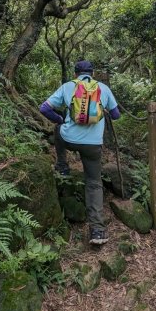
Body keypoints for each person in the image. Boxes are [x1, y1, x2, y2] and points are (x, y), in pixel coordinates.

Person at [39, 60, 120, 245]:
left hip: (69, 140)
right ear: (93, 73)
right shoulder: (103, 88)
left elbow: (44, 108)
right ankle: (97, 231)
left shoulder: (68, 86)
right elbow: (116, 115)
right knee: (93, 183)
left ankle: (62, 166)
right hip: (93, 146)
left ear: (76, 74)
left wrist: (60, 119)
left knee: (58, 129)